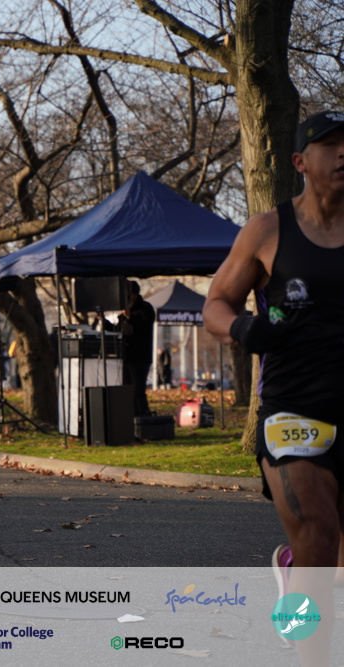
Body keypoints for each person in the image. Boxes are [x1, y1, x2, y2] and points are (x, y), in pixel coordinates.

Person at [203, 111, 344, 667]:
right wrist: (242, 327)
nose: (343, 153)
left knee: (332, 558)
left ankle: (292, 584)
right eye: (330, 144)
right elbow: (216, 303)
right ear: (299, 161)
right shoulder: (267, 230)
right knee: (318, 532)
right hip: (294, 408)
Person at [118, 281, 155, 416]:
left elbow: (143, 327)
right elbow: (119, 329)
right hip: (127, 356)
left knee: (137, 391)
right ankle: (130, 417)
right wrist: (104, 321)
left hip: (140, 357)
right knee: (127, 390)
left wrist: (130, 317)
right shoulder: (126, 310)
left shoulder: (145, 308)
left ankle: (142, 417)